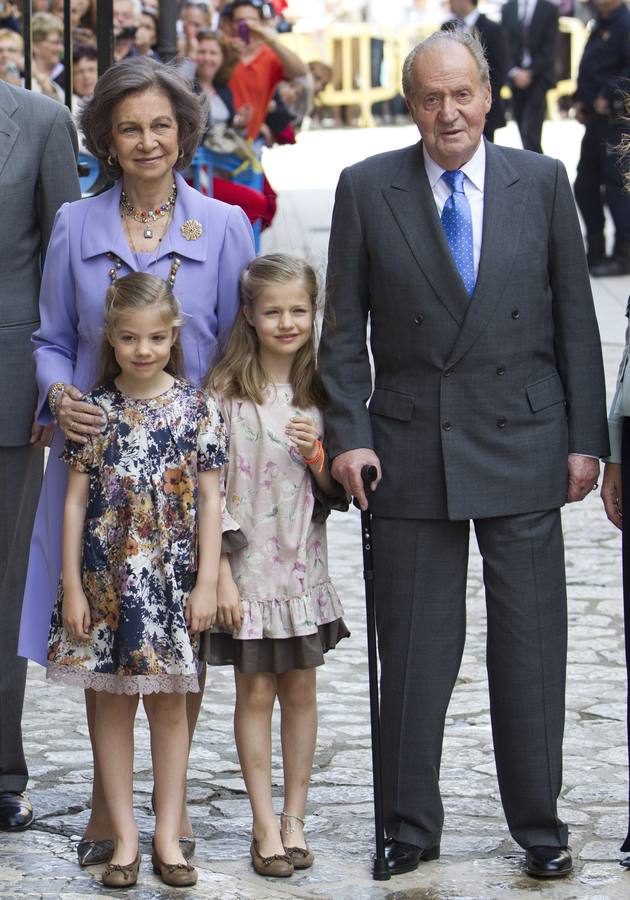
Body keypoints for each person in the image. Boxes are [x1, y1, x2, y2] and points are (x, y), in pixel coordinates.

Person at [319, 29, 609, 879]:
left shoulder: (543, 183)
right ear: (411, 106)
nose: (449, 113)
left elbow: (574, 322)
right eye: (430, 99)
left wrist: (585, 439)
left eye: (462, 95)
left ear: (488, 95)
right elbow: (343, 335)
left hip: (526, 437)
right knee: (413, 649)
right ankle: (407, 827)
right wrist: (352, 437)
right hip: (410, 446)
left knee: (530, 645)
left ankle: (541, 829)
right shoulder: (366, 187)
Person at [17, 56, 253, 867]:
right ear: (105, 142)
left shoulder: (223, 226)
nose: (147, 140)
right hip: (99, 470)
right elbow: (51, 339)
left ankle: (171, 816)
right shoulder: (75, 224)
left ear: (184, 132)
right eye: (129, 128)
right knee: (102, 648)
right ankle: (108, 812)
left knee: (179, 644)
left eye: (161, 125)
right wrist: (58, 395)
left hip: (191, 478)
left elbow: (238, 357)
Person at [48, 272, 226, 888]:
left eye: (155, 337)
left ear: (174, 334)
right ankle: (123, 838)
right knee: (111, 707)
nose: (143, 349)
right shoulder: (94, 411)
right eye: (129, 338)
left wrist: (207, 583)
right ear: (112, 338)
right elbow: (74, 503)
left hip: (173, 584)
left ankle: (169, 835)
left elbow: (210, 500)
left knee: (171, 708)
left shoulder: (197, 408)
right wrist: (71, 584)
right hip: (105, 584)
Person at [203, 253, 349, 877]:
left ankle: (295, 816)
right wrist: (223, 575)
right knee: (255, 692)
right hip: (250, 577)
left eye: (299, 310)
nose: (287, 322)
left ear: (314, 314)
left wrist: (319, 456)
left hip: (302, 575)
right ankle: (263, 822)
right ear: (250, 315)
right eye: (274, 311)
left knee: (301, 691)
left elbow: (334, 494)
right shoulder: (226, 394)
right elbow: (210, 492)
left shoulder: (322, 391)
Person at [0, 80, 80, 832]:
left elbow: (61, 268)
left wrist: (52, 386)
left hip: (8, 393)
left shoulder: (43, 121)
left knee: (3, 582)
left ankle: (0, 767)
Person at [573, 0, 630, 276]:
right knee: (584, 185)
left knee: (619, 188)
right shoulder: (600, 24)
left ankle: (625, 254)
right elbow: (591, 67)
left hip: (618, 122)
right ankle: (595, 249)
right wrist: (580, 100)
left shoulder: (625, 24)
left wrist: (610, 97)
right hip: (595, 123)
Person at [224, 0, 307, 140]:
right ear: (231, 25)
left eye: (252, 20)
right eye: (240, 20)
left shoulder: (268, 55)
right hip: (218, 139)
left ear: (261, 23)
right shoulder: (222, 49)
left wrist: (271, 40)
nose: (247, 25)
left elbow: (300, 71)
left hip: (250, 142)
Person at [442, 0, 509, 142]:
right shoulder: (447, 27)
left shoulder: (492, 28)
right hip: (451, 106)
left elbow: (500, 69)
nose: (448, 3)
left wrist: (480, 96)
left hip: (484, 109)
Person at [501, 0, 559, 153]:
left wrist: (530, 72)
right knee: (521, 126)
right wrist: (514, 72)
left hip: (538, 79)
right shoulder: (508, 8)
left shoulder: (549, 9)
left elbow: (550, 48)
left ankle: (537, 171)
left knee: (531, 132)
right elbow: (504, 45)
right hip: (515, 79)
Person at [30, 12, 65, 102]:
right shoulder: (21, 75)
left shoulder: (67, 74)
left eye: (61, 43)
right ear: (35, 45)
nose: (61, 48)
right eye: (55, 43)